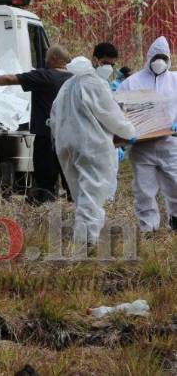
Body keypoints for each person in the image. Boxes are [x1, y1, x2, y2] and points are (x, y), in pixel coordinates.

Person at [50, 57, 136, 249]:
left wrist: (58, 139)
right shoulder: (94, 84)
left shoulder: (66, 86)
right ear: (93, 65)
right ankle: (87, 241)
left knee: (78, 192)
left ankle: (83, 236)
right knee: (92, 192)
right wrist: (129, 132)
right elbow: (110, 114)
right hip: (90, 146)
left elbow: (53, 115)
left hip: (65, 145)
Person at [0, 45, 72, 204]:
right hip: (70, 137)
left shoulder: (44, 76)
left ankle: (45, 212)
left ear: (54, 59)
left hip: (47, 136)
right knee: (71, 180)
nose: (45, 59)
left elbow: (10, 79)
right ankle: (74, 214)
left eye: (47, 56)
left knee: (45, 180)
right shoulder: (73, 78)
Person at [117, 36, 177, 232]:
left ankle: (175, 220)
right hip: (141, 146)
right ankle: (148, 227)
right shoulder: (131, 83)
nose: (159, 61)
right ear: (149, 57)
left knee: (175, 184)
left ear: (168, 58)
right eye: (156, 57)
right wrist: (125, 132)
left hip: (170, 143)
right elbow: (118, 110)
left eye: (163, 57)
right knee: (144, 189)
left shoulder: (175, 80)